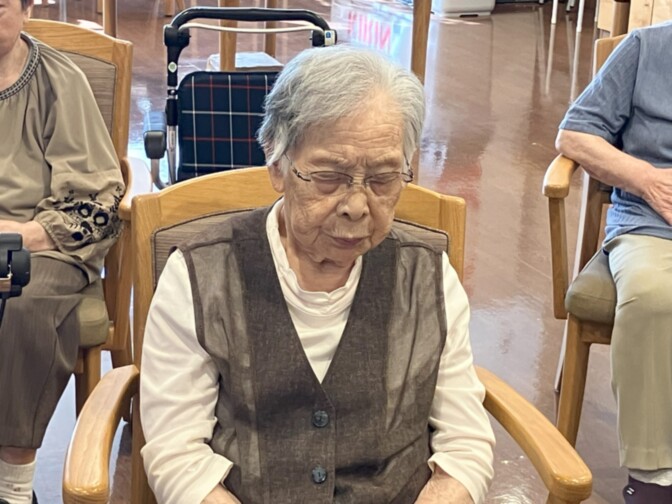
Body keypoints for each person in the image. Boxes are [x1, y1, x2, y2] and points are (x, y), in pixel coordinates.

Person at [140, 45, 495, 504]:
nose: (357, 206)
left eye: (383, 179)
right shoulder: (199, 275)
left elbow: (465, 444)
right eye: (329, 176)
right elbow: (177, 454)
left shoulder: (427, 277)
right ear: (277, 165)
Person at [0, 1, 125, 502]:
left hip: (44, 244)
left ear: (26, 8)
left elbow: (94, 199)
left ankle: (13, 486)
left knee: (22, 305)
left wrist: (16, 233)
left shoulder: (59, 81)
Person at [556, 21, 672, 504]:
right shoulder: (647, 47)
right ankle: (654, 478)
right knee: (652, 297)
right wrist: (647, 179)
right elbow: (575, 135)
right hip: (653, 222)